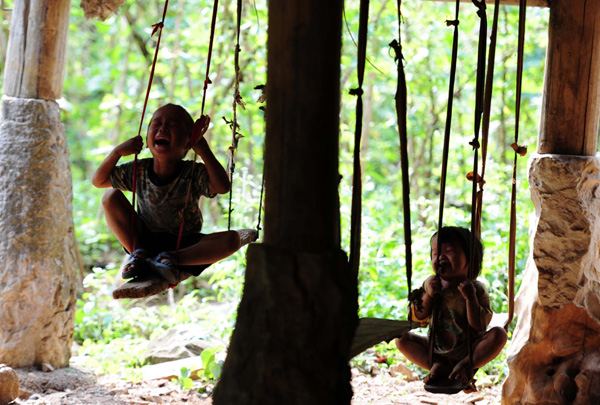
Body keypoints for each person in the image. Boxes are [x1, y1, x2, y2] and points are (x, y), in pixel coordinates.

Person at [92, 103, 245, 284]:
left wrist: (204, 150)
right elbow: (99, 181)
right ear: (147, 142)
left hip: (186, 246)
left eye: (173, 125)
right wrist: (117, 152)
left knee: (231, 240)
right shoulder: (139, 169)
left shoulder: (193, 172)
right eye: (156, 124)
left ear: (189, 142)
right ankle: (139, 255)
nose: (162, 128)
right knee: (110, 197)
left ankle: (169, 259)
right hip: (144, 241)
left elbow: (222, 187)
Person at [395, 226, 507, 388]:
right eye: (435, 253)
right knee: (401, 339)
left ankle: (465, 365)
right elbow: (417, 318)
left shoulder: (476, 289)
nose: (440, 257)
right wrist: (428, 295)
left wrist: (470, 298)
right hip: (435, 348)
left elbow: (479, 326)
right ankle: (437, 364)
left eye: (449, 251)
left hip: (469, 349)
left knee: (499, 334)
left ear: (471, 258)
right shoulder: (430, 284)